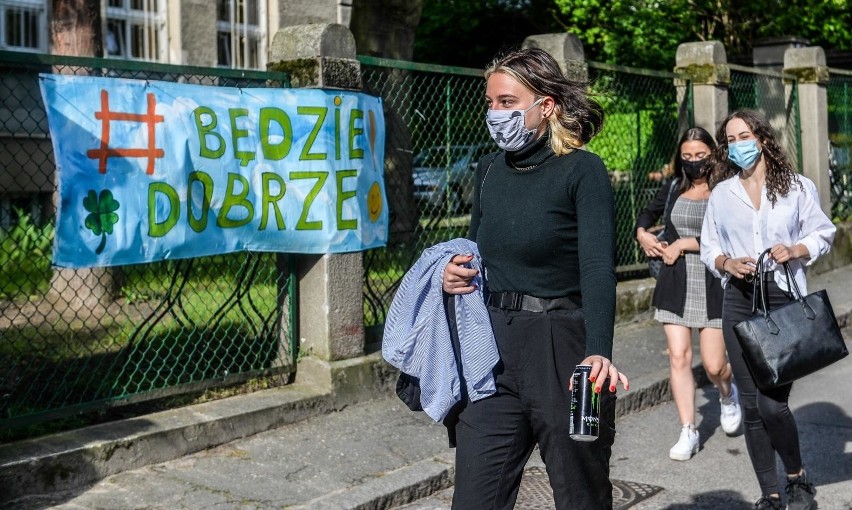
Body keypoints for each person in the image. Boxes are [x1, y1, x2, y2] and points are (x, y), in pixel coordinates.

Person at [442, 47, 628, 510]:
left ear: (546, 106)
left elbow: (597, 268)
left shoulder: (583, 170)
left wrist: (599, 351)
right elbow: (475, 253)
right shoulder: (487, 171)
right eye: (490, 102)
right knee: (474, 497)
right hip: (492, 348)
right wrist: (454, 274)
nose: (494, 112)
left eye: (507, 101)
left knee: (579, 492)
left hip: (562, 347)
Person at [700, 109, 836, 510]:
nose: (738, 144)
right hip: (739, 299)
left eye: (745, 135)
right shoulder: (723, 193)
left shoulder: (795, 187)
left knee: (771, 402)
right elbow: (709, 246)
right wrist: (727, 263)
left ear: (761, 137)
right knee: (750, 403)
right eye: (731, 139)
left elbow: (823, 233)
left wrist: (795, 249)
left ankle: (796, 478)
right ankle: (770, 495)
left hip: (781, 298)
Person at [635, 127, 742, 461]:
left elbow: (731, 238)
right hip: (675, 280)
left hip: (714, 282)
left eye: (700, 155)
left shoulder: (728, 189)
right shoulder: (674, 187)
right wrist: (642, 234)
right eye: (687, 157)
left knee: (713, 365)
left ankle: (727, 393)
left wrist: (684, 242)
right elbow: (647, 215)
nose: (694, 162)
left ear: (713, 152)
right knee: (678, 355)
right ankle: (688, 429)